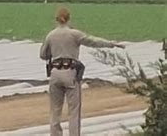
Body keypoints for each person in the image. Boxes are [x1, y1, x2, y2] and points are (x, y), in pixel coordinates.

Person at [39, 7, 125, 136]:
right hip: (71, 73)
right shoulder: (74, 34)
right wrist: (112, 44)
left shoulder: (50, 35)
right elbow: (93, 41)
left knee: (55, 111)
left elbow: (43, 55)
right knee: (74, 111)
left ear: (56, 19)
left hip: (55, 73)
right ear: (69, 18)